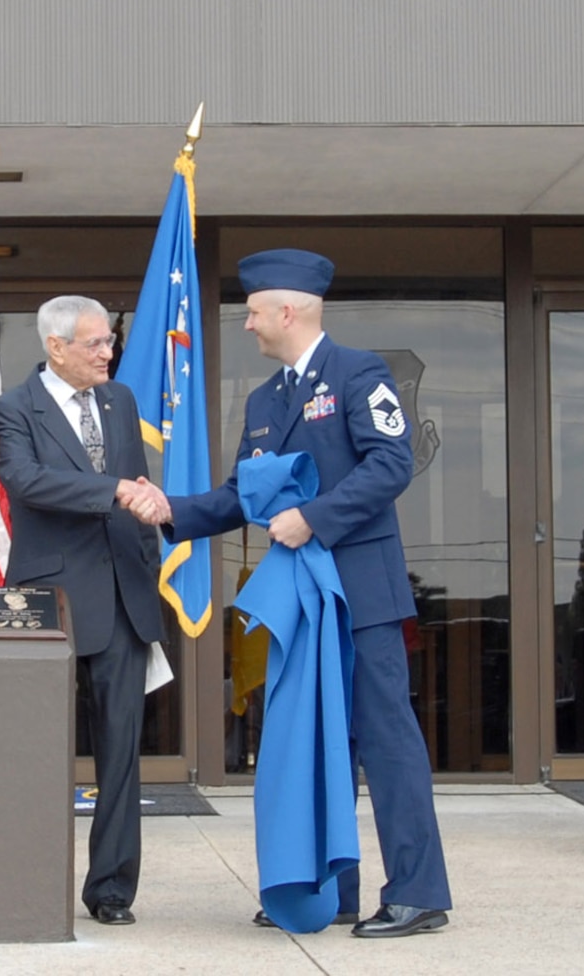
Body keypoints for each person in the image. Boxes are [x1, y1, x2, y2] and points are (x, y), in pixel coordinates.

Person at [140, 250, 452, 939]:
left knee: (386, 740)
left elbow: (391, 464)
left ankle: (419, 893)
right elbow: (238, 496)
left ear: (288, 310)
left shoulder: (359, 373)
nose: (247, 325)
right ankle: (326, 890)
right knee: (316, 741)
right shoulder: (264, 401)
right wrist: (171, 511)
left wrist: (315, 516)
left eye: (253, 312)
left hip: (362, 593)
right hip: (301, 606)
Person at [0, 295, 166, 928]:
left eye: (109, 341)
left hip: (122, 599)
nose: (107, 352)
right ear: (55, 346)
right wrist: (111, 490)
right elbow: (27, 483)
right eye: (93, 343)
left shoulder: (120, 402)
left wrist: (147, 568)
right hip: (48, 600)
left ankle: (112, 889)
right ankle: (25, 878)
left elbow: (140, 488)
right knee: (35, 751)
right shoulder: (13, 408)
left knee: (120, 753)